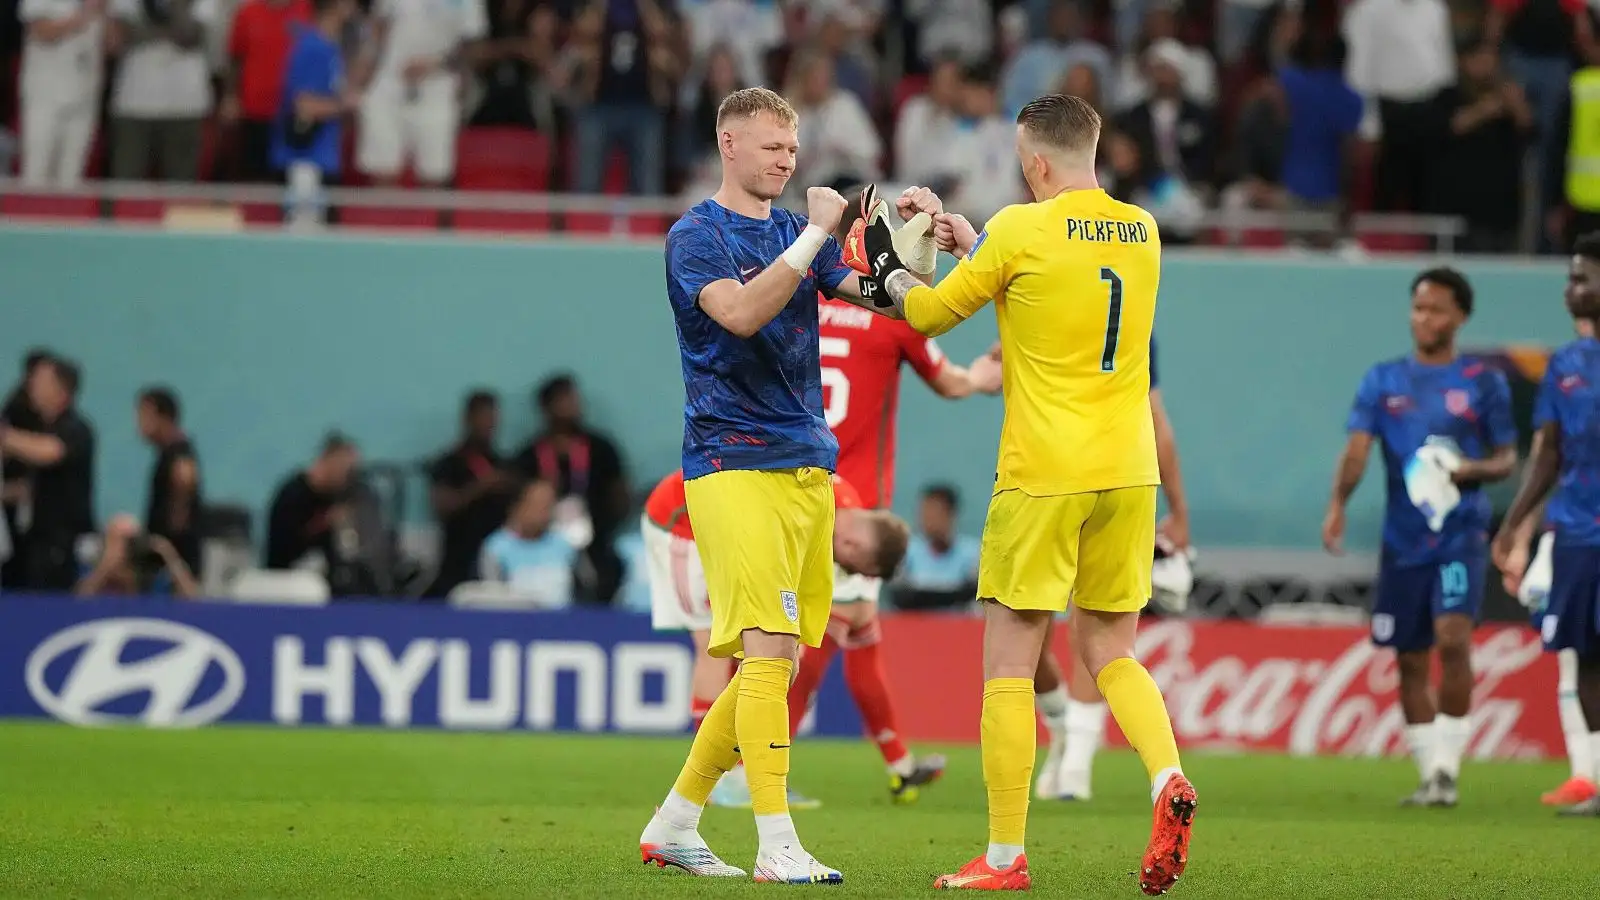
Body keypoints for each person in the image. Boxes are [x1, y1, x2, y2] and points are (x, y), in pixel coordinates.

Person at [851, 93, 1194, 894]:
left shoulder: (1018, 227)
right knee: (1112, 651)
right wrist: (975, 244)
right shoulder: (1141, 230)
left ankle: (1005, 857)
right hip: (1128, 471)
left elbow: (931, 314)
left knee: (1009, 666)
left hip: (1044, 473)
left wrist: (889, 264)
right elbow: (1054, 288)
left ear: (1034, 160)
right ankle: (1166, 777)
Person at [637, 86, 928, 884]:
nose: (785, 160)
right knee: (766, 655)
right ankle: (777, 843)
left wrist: (919, 249)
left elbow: (889, 301)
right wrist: (813, 236)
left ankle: (674, 823)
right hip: (732, 462)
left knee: (781, 661)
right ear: (729, 145)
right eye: (771, 146)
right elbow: (738, 313)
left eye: (791, 149)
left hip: (809, 466)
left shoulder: (808, 238)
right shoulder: (697, 234)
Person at [782, 184, 1001, 806]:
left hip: (795, 481)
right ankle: (751, 770)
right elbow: (954, 383)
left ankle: (898, 761)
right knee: (822, 635)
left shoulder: (804, 290)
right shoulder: (890, 310)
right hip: (855, 511)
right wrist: (988, 376)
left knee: (855, 631)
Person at [1322, 268, 1517, 809]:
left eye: (1435, 309)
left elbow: (1507, 458)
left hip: (1460, 535)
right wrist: (1338, 503)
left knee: (1452, 640)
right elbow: (1358, 449)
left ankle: (1449, 771)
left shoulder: (1483, 382)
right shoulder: (1383, 380)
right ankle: (1430, 772)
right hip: (1402, 542)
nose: (1424, 318)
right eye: (1418, 308)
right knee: (1409, 658)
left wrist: (1469, 470)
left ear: (1459, 316)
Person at [642, 468, 913, 805]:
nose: (846, 571)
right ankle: (711, 781)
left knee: (756, 646)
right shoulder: (811, 510)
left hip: (725, 527)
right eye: (853, 568)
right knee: (712, 642)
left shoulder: (837, 506)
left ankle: (739, 776)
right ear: (852, 544)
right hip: (684, 526)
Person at [1033, 334, 1193, 803]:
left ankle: (1077, 763)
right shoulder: (1044, 286)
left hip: (1110, 476)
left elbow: (1155, 416)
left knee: (1095, 625)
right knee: (1031, 632)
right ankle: (1065, 731)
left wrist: (1180, 511)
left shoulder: (1133, 318)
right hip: (1042, 472)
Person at [1493, 232, 1600, 817]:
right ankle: (1594, 780)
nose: (1571, 290)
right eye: (1570, 277)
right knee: (1583, 654)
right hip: (1579, 531)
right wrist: (1514, 525)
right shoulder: (1566, 363)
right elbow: (1550, 453)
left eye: (1583, 277)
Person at [426, 390, 518, 598]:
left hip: (499, 562)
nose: (489, 423)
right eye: (483, 416)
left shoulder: (505, 466)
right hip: (460, 560)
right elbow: (443, 506)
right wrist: (480, 487)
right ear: (468, 418)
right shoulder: (449, 463)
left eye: (492, 417)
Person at [478, 479, 582, 608]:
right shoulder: (496, 547)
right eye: (536, 505)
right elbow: (489, 595)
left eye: (548, 506)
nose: (542, 513)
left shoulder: (566, 545)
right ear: (518, 507)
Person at [136, 386, 202, 579]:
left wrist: (173, 533)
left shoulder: (180, 451)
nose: (138, 423)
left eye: (143, 415)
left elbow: (185, 477)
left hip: (174, 556)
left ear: (162, 417)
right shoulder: (165, 453)